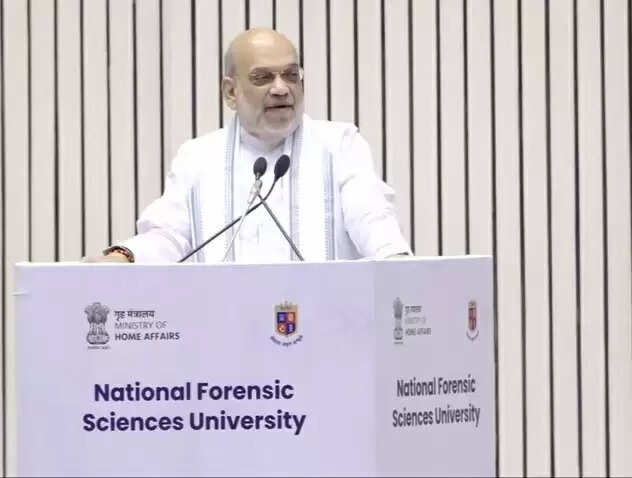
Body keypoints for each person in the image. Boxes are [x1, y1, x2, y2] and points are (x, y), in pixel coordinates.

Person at [100, 28, 411, 263]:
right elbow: (169, 235)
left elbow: (372, 217)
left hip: (325, 321)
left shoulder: (340, 145)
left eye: (291, 75)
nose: (281, 89)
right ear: (231, 92)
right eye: (262, 78)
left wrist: (395, 260)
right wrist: (124, 256)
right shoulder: (197, 157)